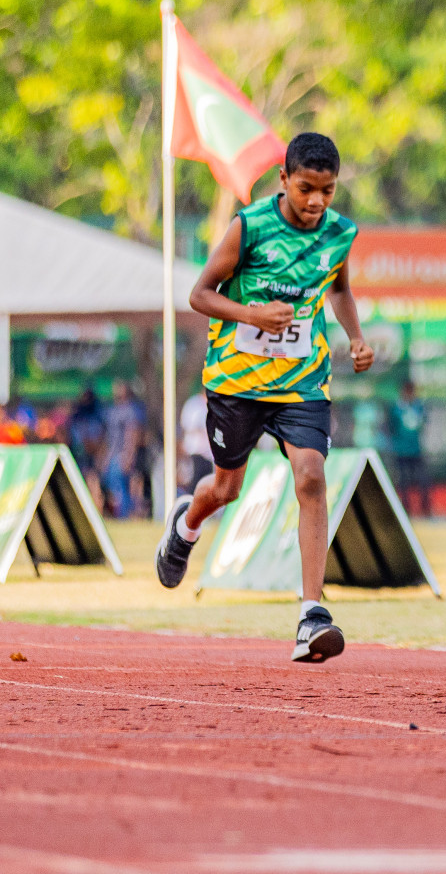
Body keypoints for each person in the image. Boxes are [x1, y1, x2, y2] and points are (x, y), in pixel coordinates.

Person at [154, 133, 375, 663]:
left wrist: (356, 335)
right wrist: (253, 314)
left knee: (311, 476)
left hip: (303, 379)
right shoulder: (250, 226)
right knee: (227, 488)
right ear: (283, 180)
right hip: (236, 381)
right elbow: (199, 293)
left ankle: (311, 614)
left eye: (327, 190)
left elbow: (339, 289)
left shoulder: (341, 233)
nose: (317, 201)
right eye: (306, 188)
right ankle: (186, 525)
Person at [101, 379, 144, 517]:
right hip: (113, 454)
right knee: (114, 488)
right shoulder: (112, 410)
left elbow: (132, 434)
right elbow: (108, 437)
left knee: (121, 489)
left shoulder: (130, 410)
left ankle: (125, 516)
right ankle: (121, 514)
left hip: (122, 455)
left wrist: (128, 455)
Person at [389, 380, 431, 516]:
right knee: (403, 482)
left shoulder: (419, 407)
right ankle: (405, 509)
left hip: (416, 450)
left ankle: (425, 508)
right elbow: (392, 427)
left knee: (423, 480)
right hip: (401, 450)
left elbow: (424, 423)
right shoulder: (396, 408)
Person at [180, 390, 214, 494]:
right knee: (195, 487)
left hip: (209, 457)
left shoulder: (213, 406)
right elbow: (187, 428)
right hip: (195, 454)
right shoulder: (193, 405)